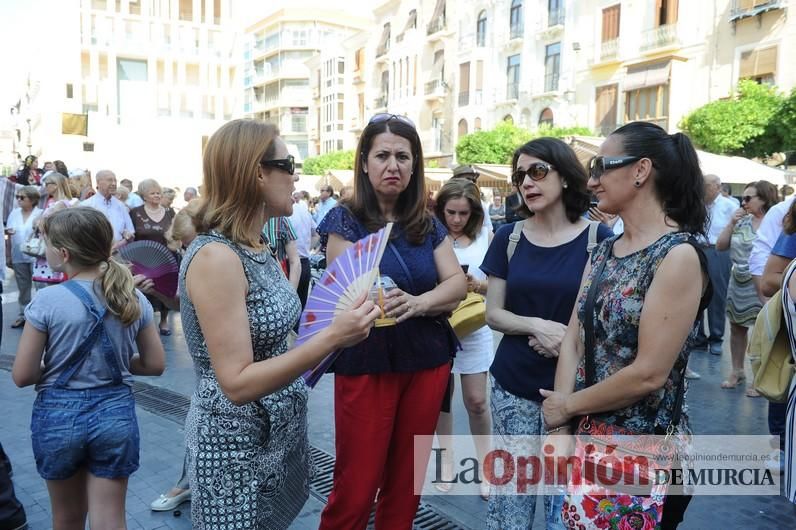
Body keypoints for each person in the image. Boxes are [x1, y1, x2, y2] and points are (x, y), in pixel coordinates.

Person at [181, 119, 379, 529]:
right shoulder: (217, 257)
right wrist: (332, 337)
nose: (296, 175)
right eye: (289, 163)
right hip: (233, 450)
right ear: (256, 172)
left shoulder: (257, 244)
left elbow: (280, 335)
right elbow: (235, 383)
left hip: (275, 438)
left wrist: (342, 318)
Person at [540, 121, 710, 530]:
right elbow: (573, 341)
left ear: (640, 170)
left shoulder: (678, 255)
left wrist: (566, 406)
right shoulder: (603, 250)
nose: (592, 180)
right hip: (587, 443)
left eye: (601, 166)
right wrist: (563, 428)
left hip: (643, 456)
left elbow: (649, 374)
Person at [317, 113, 466, 529]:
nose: (393, 165)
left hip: (427, 361)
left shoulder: (427, 223)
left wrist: (418, 304)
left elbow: (456, 283)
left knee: (406, 485)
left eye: (403, 156)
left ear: (415, 165)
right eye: (382, 155)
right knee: (357, 485)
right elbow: (350, 293)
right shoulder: (345, 220)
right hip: (367, 362)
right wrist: (418, 300)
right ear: (364, 162)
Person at [480, 137, 612, 529]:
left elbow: (606, 320)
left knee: (563, 508)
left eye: (538, 171)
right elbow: (493, 314)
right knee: (510, 506)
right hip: (512, 386)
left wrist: (566, 340)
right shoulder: (510, 237)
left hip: (573, 395)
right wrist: (539, 326)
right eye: (520, 175)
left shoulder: (598, 241)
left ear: (566, 176)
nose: (527, 183)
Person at [12, 207, 165, 529]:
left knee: (66, 520)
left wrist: (55, 367)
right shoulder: (131, 296)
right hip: (115, 415)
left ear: (63, 253)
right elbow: (154, 364)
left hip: (58, 417)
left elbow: (23, 375)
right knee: (110, 519)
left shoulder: (47, 301)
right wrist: (120, 363)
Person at [432, 178, 494, 500]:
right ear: (440, 209)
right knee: (441, 399)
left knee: (477, 401)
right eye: (451, 212)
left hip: (474, 322)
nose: (456, 219)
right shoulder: (430, 234)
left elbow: (496, 284)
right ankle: (446, 463)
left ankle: (486, 466)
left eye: (463, 213)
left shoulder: (486, 234)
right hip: (438, 325)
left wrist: (476, 285)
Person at [715, 180, 777, 389]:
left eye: (749, 198)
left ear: (765, 199)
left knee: (764, 330)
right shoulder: (741, 221)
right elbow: (720, 246)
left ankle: (759, 378)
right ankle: (737, 371)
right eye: (743, 198)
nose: (744, 202)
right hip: (738, 280)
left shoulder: (775, 223)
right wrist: (731, 223)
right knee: (736, 327)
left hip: (762, 281)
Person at [129, 178, 176, 335]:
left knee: (166, 289)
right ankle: (143, 322)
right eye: (153, 193)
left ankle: (163, 321)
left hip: (166, 259)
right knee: (143, 289)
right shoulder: (135, 213)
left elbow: (176, 232)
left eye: (158, 193)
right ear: (144, 196)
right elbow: (131, 235)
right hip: (142, 260)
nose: (157, 195)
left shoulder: (169, 212)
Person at [697, 173, 736, 355]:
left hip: (718, 250)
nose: (703, 189)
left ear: (717, 187)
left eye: (706, 186)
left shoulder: (730, 206)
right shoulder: (697, 205)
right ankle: (698, 337)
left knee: (717, 295)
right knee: (695, 294)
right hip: (697, 248)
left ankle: (716, 337)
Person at [6, 186, 43, 328]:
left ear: (33, 200)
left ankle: (40, 316)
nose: (19, 200)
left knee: (40, 287)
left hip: (36, 257)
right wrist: (8, 255)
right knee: (23, 288)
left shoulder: (41, 213)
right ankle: (23, 315)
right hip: (18, 255)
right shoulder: (14, 213)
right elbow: (8, 236)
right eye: (17, 197)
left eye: (22, 197)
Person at [32, 173, 78, 285]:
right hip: (50, 250)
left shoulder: (61, 204)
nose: (45, 186)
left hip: (53, 250)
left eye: (47, 184)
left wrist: (39, 223)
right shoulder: (52, 202)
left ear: (56, 185)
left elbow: (44, 225)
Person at [82, 170, 135, 247]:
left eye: (115, 181)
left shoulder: (120, 205)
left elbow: (131, 232)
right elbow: (83, 235)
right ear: (98, 182)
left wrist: (123, 241)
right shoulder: (87, 206)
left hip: (120, 254)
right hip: (96, 253)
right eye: (109, 180)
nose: (114, 184)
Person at [289, 192, 316, 309]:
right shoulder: (305, 212)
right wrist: (308, 248)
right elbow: (317, 233)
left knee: (290, 307)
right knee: (301, 306)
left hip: (290, 263)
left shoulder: (285, 213)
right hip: (304, 262)